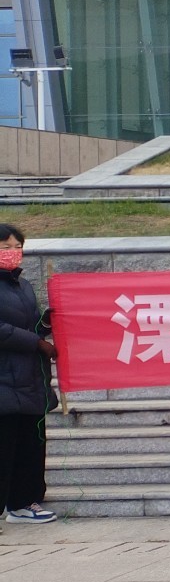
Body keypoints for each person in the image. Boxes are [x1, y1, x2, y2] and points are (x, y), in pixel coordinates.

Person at [0, 225, 56, 525]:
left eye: (17, 246)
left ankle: (23, 504)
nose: (13, 252)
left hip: (29, 379)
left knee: (29, 447)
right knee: (5, 447)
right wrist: (36, 342)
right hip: (4, 381)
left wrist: (44, 325)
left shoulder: (22, 285)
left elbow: (30, 325)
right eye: (5, 246)